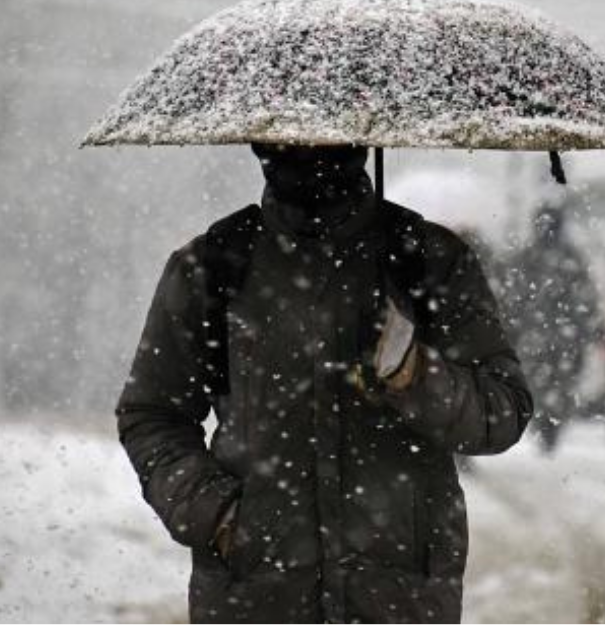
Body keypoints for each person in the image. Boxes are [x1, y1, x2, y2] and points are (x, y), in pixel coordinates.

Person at [116, 143, 533, 623]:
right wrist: (220, 516)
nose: (310, 151)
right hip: (255, 599)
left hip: (399, 601)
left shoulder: (428, 261)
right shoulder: (214, 266)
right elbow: (152, 414)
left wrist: (416, 374)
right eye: (288, 136)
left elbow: (503, 412)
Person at [505, 203, 603, 454]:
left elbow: (512, 301)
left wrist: (512, 330)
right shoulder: (571, 259)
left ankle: (545, 422)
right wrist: (586, 330)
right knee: (559, 385)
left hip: (537, 339)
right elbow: (586, 300)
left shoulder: (525, 259)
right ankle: (550, 423)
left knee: (540, 384)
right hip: (562, 340)